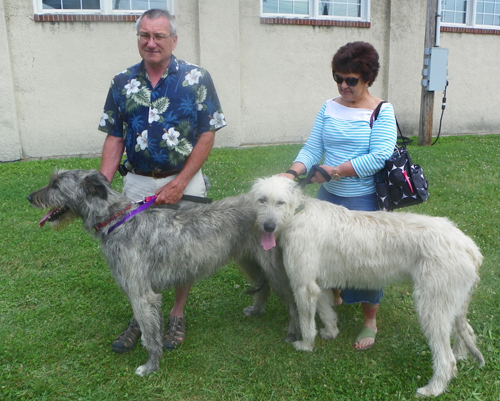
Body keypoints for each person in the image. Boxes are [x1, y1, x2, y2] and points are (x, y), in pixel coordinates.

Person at [98, 9, 226, 353]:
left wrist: (180, 182)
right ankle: (141, 315)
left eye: (158, 36)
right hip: (137, 184)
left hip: (184, 182)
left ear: (173, 40)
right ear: (138, 37)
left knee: (184, 252)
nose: (150, 43)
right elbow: (114, 136)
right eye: (144, 36)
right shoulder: (122, 82)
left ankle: (177, 313)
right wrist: (102, 188)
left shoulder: (197, 79)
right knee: (133, 254)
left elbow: (206, 135)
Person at [281, 41, 397, 350]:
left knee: (369, 263)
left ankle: (369, 319)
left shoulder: (382, 111)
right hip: (326, 198)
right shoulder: (329, 106)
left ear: (368, 78)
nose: (343, 85)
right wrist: (293, 173)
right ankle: (332, 303)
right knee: (324, 256)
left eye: (351, 80)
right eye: (338, 78)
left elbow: (379, 157)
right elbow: (313, 146)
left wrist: (334, 170)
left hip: (365, 201)